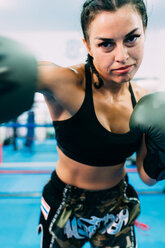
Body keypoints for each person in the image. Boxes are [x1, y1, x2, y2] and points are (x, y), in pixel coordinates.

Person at [1, 0, 165, 247]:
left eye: (131, 39)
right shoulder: (65, 83)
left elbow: (147, 176)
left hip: (117, 204)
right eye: (106, 44)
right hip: (66, 202)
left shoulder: (143, 102)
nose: (122, 56)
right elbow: (34, 72)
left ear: (144, 33)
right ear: (88, 45)